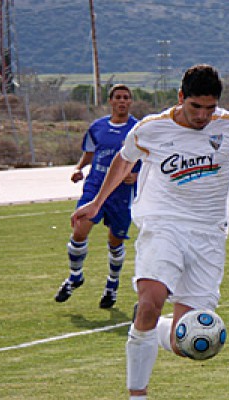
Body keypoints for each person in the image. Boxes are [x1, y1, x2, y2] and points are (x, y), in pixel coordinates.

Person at [71, 64, 229, 400]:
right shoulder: (153, 129)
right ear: (180, 98)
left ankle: (152, 331)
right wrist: (96, 203)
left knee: (186, 344)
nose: (203, 116)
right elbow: (124, 160)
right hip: (164, 225)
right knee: (150, 302)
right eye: (196, 107)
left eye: (210, 108)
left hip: (210, 236)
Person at [55, 84, 141, 308]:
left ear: (130, 102)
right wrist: (79, 168)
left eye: (126, 97)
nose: (122, 101)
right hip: (94, 187)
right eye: (118, 97)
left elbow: (148, 157)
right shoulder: (98, 127)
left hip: (121, 194)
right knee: (79, 228)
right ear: (110, 101)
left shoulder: (138, 129)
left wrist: (136, 174)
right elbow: (90, 152)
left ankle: (112, 285)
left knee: (115, 241)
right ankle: (75, 276)